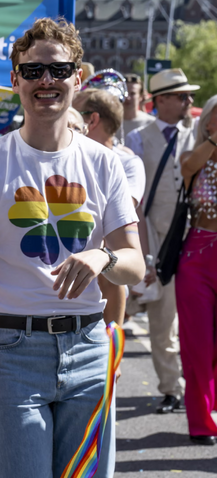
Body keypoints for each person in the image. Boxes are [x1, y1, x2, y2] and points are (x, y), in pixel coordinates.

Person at [0, 19, 144, 476]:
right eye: (33, 71)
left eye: (59, 70)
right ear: (15, 80)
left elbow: (133, 264)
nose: (46, 80)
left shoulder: (105, 163)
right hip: (11, 350)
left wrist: (101, 256)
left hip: (87, 347)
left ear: (77, 78)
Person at [125, 68, 198, 414]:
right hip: (157, 241)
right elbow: (134, 204)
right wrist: (146, 253)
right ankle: (172, 389)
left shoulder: (197, 135)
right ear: (162, 101)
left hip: (195, 240)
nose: (189, 102)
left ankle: (191, 385)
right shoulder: (138, 139)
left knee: (192, 322)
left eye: (189, 96)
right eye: (182, 96)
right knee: (163, 321)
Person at [74, 88, 146, 327]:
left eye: (75, 114)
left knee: (110, 361)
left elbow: (119, 215)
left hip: (106, 274)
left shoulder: (128, 162)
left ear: (92, 120)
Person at [176, 95, 217, 446]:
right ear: (207, 121)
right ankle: (201, 422)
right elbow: (187, 167)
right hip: (198, 258)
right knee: (198, 345)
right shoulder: (194, 157)